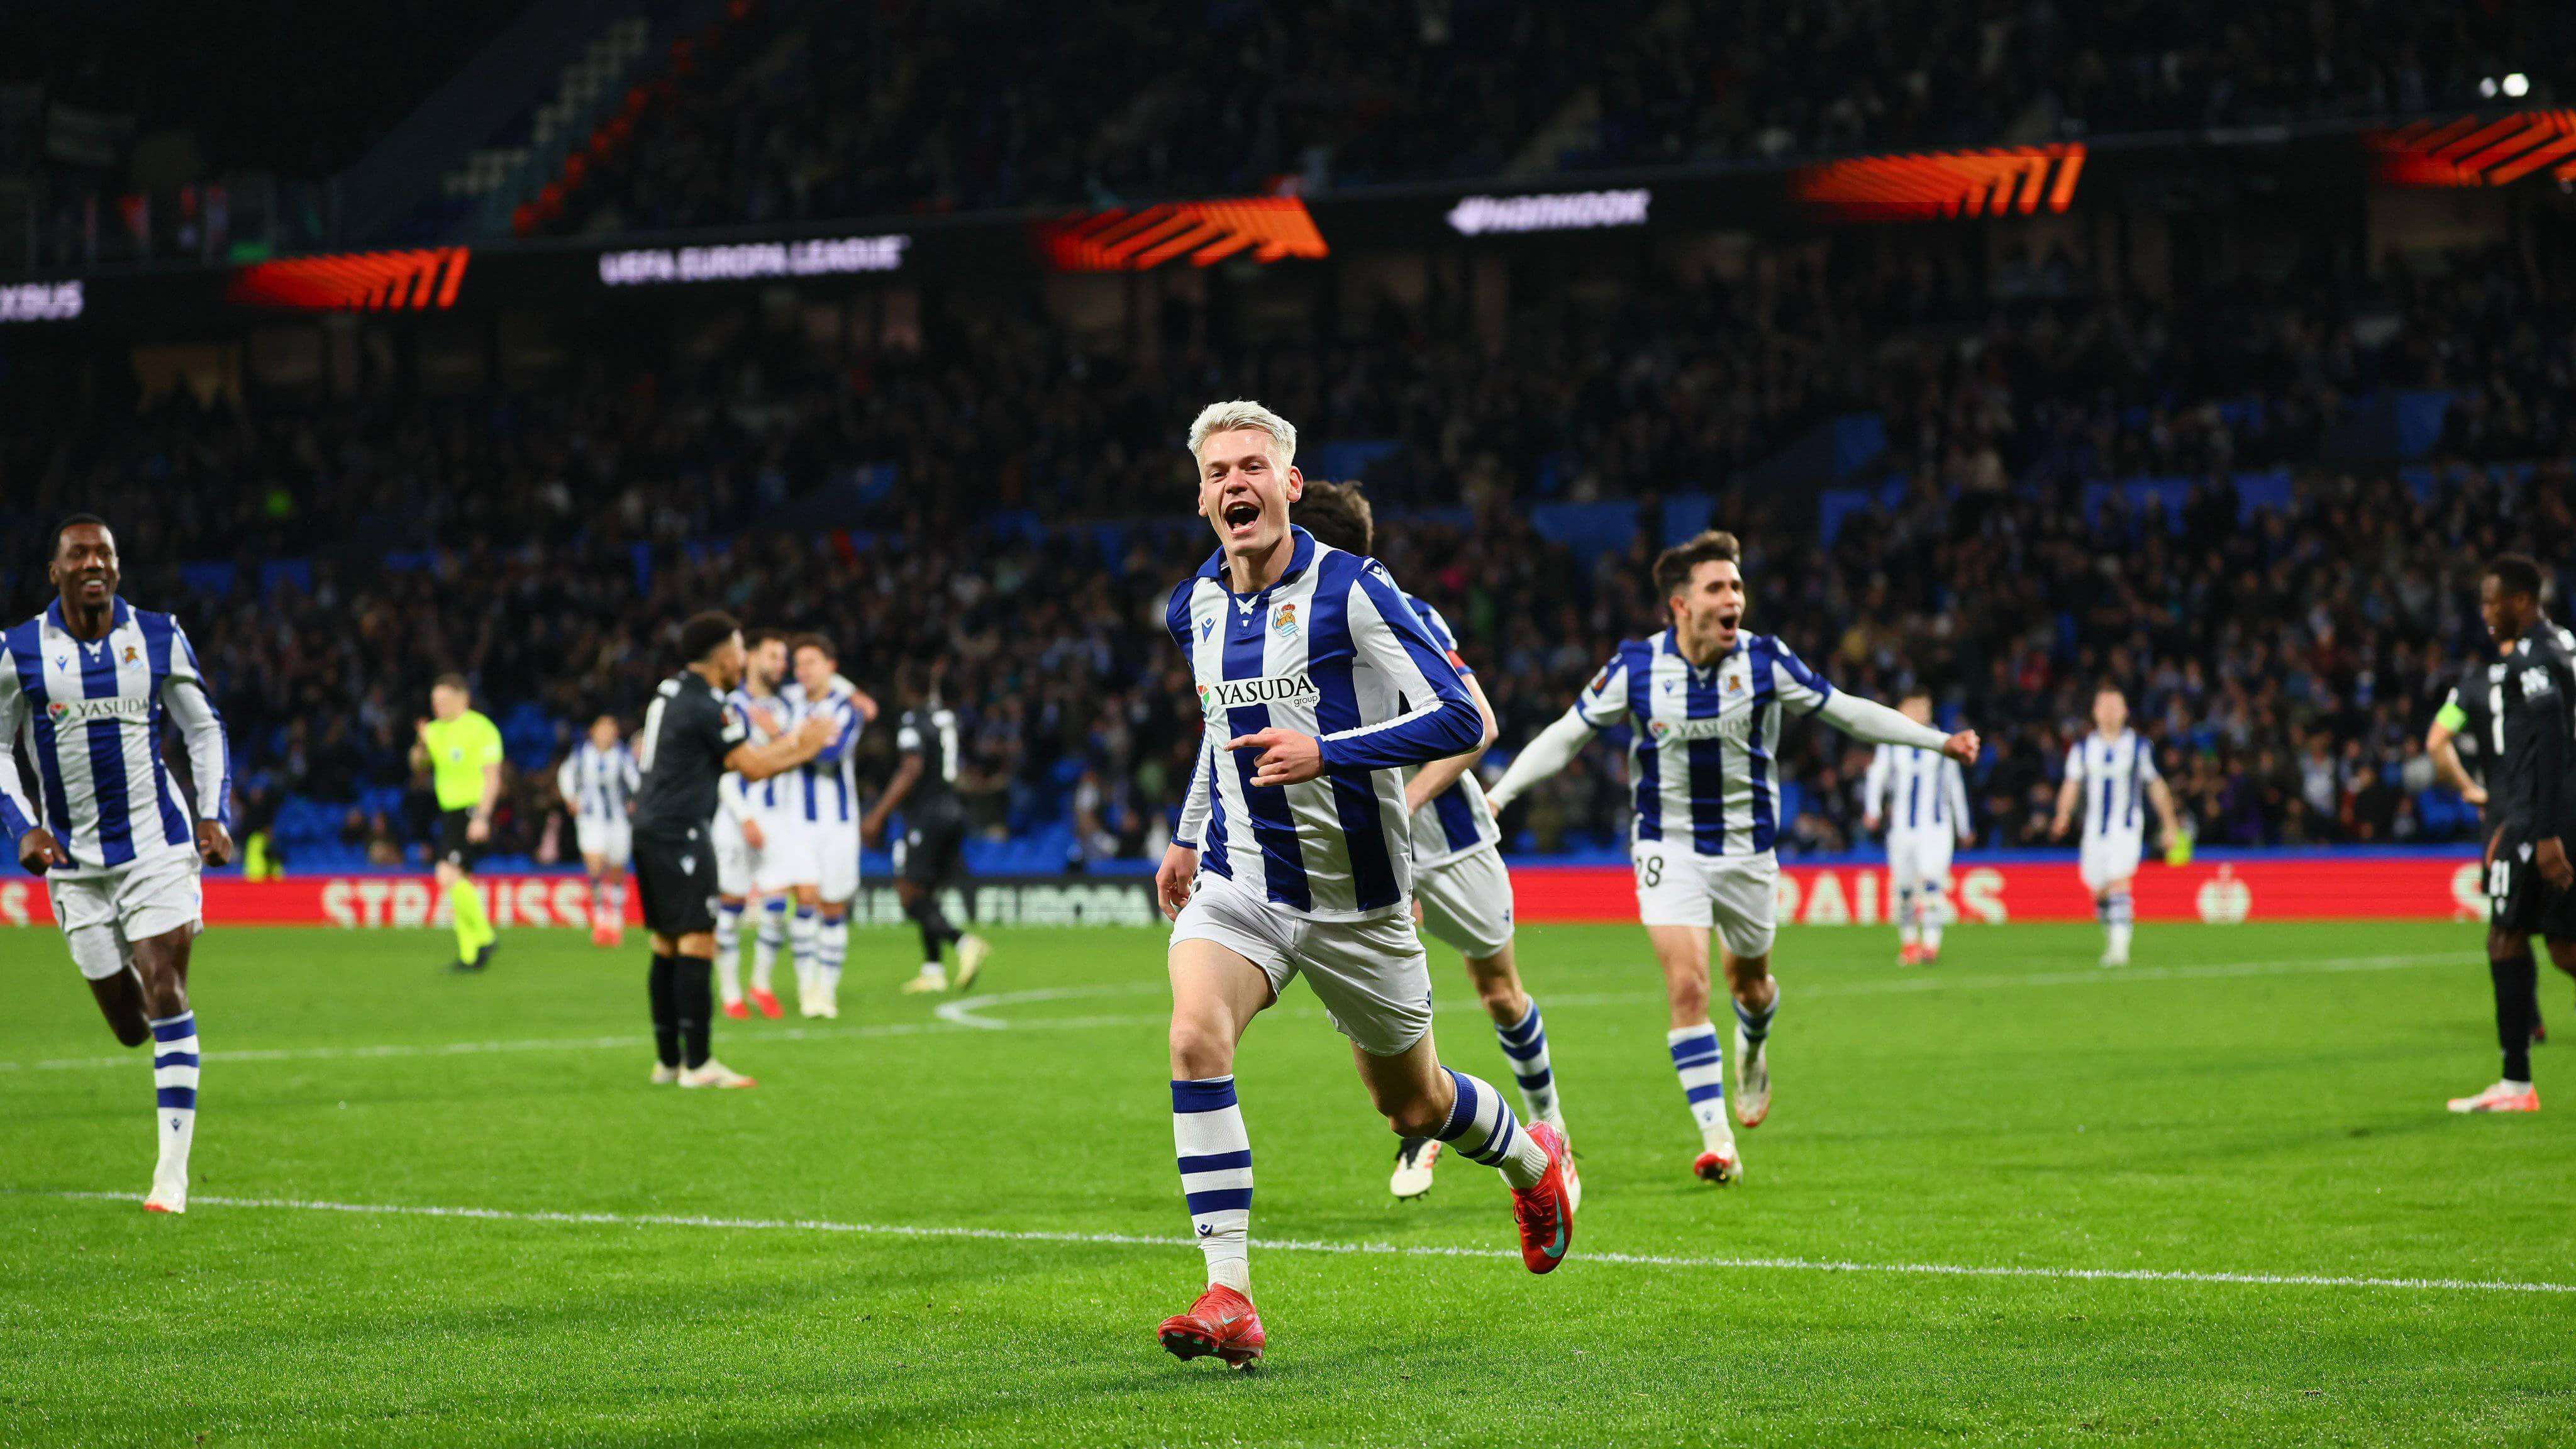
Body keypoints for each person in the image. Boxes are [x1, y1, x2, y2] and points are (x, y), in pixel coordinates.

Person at [1150, 401, 1576, 1370]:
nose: (1236, 485)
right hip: (1244, 885)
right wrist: (1186, 836)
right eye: (1219, 473)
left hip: (1363, 904)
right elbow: (1223, 732)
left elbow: (1467, 716)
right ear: (1203, 494)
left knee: (1415, 1110)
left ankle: (1531, 1160)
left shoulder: (1356, 590)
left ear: (1290, 484)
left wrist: (1329, 752)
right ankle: (1231, 1294)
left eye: (1253, 467)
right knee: (1193, 1034)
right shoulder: (1195, 606)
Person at [1487, 530, 1980, 1185]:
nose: (1734, 600)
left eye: (1738, 587)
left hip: (1747, 852)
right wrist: (1499, 797)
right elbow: (1566, 736)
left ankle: (1752, 1045)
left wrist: (1936, 741)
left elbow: (1847, 713)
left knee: (1750, 984)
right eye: (1718, 588)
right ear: (1681, 605)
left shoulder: (1766, 661)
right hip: (1668, 846)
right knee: (1688, 986)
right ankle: (1717, 1138)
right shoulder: (1636, 667)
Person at [1292, 480, 1579, 1208]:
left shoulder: (1408, 613)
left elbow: (1477, 725)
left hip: (1447, 841)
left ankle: (1550, 1127)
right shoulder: (1275, 630)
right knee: (1389, 993)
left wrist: (1405, 803)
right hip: (1353, 845)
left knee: (1499, 992)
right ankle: (1419, 1126)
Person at [1, 514, 232, 1214]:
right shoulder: (19, 652)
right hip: (73, 864)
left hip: (158, 849)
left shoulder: (156, 635)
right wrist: (25, 828)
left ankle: (171, 1177)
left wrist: (213, 812)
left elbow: (203, 726)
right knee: (130, 1027)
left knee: (165, 990)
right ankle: (148, 952)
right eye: (79, 553)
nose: (93, 562)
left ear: (119, 568)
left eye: (104, 552)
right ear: (56, 570)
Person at [629, 611, 835, 1090]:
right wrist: (804, 746)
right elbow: (754, 767)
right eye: (741, 649)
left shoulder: (670, 689)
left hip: (650, 826)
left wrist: (791, 744)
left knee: (665, 944)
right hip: (681, 831)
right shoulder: (709, 705)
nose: (742, 659)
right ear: (723, 655)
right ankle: (699, 1065)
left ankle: (669, 1061)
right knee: (697, 941)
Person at [2449, 556, 2576, 1114]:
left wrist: (2545, 831)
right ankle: (2515, 1085)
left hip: (2537, 819)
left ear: (2521, 601)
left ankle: (2516, 1083)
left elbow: (2550, 741)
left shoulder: (2530, 657)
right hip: (2559, 811)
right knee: (2566, 947)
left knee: (2505, 937)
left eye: (2492, 601)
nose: (2486, 614)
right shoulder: (2568, 644)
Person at [865, 667, 989, 994]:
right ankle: (933, 970)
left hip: (927, 815)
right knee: (928, 894)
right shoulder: (945, 717)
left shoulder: (912, 722)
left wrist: (877, 814)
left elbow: (911, 769)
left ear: (906, 688)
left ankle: (963, 942)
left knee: (908, 895)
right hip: (953, 809)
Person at [779, 634, 875, 1019]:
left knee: (833, 907)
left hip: (837, 824)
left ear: (831, 667)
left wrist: (784, 739)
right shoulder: (788, 702)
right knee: (804, 901)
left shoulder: (845, 708)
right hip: (797, 821)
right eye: (799, 664)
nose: (803, 671)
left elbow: (832, 755)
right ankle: (807, 989)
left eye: (812, 662)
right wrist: (802, 738)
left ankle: (827, 990)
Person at [2048, 687, 2179, 967]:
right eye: (2104, 706)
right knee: (2099, 889)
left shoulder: (2138, 747)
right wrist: (2062, 814)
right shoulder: (2083, 749)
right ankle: (2113, 940)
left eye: (2115, 706)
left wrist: (2170, 824)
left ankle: (2119, 950)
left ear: (2125, 712)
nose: (2109, 712)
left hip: (2126, 828)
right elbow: (2071, 784)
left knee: (2120, 880)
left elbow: (2155, 785)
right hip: (2094, 831)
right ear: (2095, 712)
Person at [1862, 691, 1976, 965]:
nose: (1918, 712)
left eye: (1922, 707)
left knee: (1931, 882)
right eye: (1912, 707)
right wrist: (1872, 809)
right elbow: (1877, 776)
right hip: (1902, 828)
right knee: (1903, 889)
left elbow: (1954, 786)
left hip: (1935, 828)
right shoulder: (1890, 743)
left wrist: (1964, 825)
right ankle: (1910, 942)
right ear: (1901, 709)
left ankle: (1931, 945)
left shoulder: (1942, 742)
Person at [713, 630, 792, 1019]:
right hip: (734, 818)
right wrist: (744, 815)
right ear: (753, 658)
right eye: (773, 656)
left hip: (776, 819)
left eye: (783, 659)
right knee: (731, 905)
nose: (780, 665)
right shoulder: (729, 706)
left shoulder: (786, 709)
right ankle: (730, 992)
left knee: (777, 905)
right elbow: (723, 768)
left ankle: (761, 984)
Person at [413, 674, 504, 972]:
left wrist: (482, 816)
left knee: (446, 874)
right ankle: (470, 955)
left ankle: (486, 937)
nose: (437, 706)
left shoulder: (481, 729)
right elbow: (419, 766)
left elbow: (492, 777)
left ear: (462, 698)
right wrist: (421, 743)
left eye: (444, 700)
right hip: (449, 813)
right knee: (456, 881)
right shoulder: (435, 730)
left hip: (471, 810)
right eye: (435, 701)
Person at [555, 714, 640, 947]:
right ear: (593, 731)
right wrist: (570, 798)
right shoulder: (581, 755)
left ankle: (617, 919)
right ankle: (600, 918)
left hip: (618, 820)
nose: (607, 734)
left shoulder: (623, 756)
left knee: (616, 869)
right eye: (603, 729)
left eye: (611, 729)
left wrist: (634, 800)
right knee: (594, 864)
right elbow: (565, 776)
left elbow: (636, 781)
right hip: (590, 819)